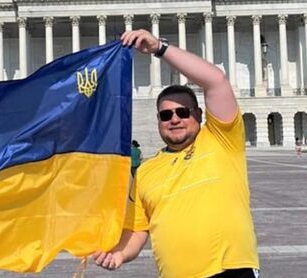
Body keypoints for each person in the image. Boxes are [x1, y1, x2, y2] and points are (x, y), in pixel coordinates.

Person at [93, 29, 259, 278]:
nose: (174, 119)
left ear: (199, 115)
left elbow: (216, 81)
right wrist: (119, 254)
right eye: (165, 115)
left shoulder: (222, 140)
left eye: (183, 112)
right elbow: (137, 230)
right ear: (158, 120)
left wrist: (159, 48)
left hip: (231, 271)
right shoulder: (145, 172)